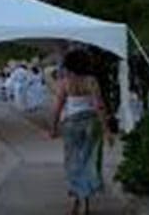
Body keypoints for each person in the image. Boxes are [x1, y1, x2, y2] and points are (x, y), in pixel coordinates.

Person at [50, 49, 113, 215]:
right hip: (91, 122)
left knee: (73, 162)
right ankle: (84, 200)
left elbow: (58, 106)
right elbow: (99, 105)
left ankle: (78, 199)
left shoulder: (64, 82)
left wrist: (53, 127)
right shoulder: (91, 81)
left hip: (71, 124)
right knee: (89, 160)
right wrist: (107, 130)